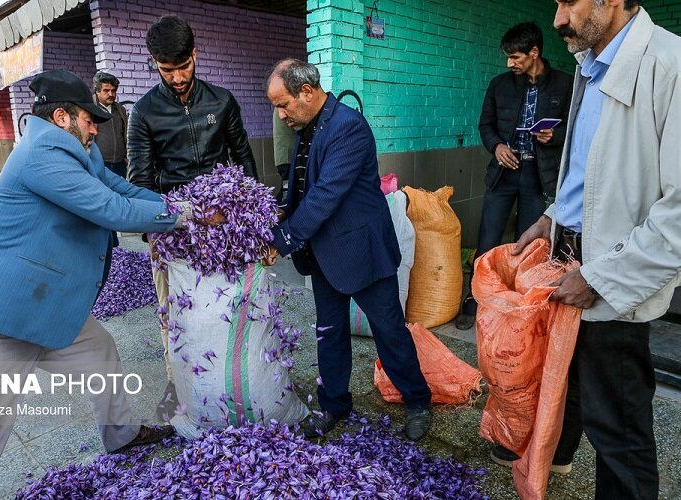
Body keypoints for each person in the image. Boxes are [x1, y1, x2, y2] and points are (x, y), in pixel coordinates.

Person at [0, 69, 200, 500]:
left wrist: (183, 204)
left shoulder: (79, 149)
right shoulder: (41, 154)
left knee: (100, 351)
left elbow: (115, 185)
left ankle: (122, 434)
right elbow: (108, 208)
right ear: (61, 117)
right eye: (89, 117)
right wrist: (185, 218)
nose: (97, 125)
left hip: (40, 304)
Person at [508, 2, 681, 497]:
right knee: (574, 388)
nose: (558, 18)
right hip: (570, 261)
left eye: (569, 2)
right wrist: (550, 218)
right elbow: (586, 171)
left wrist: (602, 278)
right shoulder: (590, 67)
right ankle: (558, 454)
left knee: (620, 435)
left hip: (614, 281)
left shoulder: (670, 65)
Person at [264, 59, 431, 441]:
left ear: (306, 92)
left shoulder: (348, 127)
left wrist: (283, 239)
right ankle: (334, 403)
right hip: (324, 253)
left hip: (362, 249)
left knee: (389, 330)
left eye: (282, 103)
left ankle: (418, 400)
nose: (280, 113)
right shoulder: (306, 126)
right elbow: (302, 187)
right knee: (329, 332)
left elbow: (325, 196)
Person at [127, 15, 258, 420]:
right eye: (168, 70)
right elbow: (141, 181)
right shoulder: (144, 113)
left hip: (225, 223)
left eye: (184, 66)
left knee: (230, 304)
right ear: (154, 63)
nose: (178, 77)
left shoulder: (221, 101)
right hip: (176, 226)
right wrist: (161, 229)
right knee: (178, 314)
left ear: (195, 55)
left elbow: (244, 158)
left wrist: (252, 217)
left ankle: (238, 380)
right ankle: (182, 386)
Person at [456, 22, 572, 330]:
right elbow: (486, 125)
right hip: (504, 174)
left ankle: (517, 306)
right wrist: (496, 147)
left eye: (516, 57)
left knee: (527, 243)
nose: (510, 63)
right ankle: (474, 299)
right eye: (508, 57)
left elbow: (576, 128)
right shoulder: (500, 84)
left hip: (539, 175)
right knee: (488, 239)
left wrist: (555, 135)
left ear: (534, 53)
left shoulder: (565, 85)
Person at [93, 71, 129, 178]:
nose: (111, 94)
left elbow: (126, 135)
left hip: (120, 164)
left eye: (113, 91)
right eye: (106, 90)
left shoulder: (120, 110)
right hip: (99, 164)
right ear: (97, 92)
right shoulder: (90, 110)